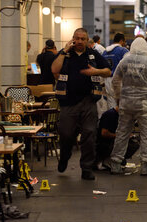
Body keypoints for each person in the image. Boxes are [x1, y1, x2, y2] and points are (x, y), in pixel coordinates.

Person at [51, 28, 111, 180]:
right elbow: (54, 69)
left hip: (88, 101)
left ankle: (86, 168)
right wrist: (63, 51)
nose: (79, 41)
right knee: (66, 134)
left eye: (82, 39)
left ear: (87, 41)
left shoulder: (92, 54)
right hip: (67, 102)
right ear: (72, 39)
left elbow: (108, 71)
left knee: (89, 135)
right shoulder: (66, 53)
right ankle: (64, 156)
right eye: (77, 38)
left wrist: (96, 71)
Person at [109, 37, 147, 175]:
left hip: (126, 102)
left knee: (122, 132)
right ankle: (145, 164)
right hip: (145, 104)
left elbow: (115, 80)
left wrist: (118, 97)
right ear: (146, 49)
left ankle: (115, 163)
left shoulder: (124, 61)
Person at [102, 33, 129, 109]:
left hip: (107, 81)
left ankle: (113, 120)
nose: (125, 43)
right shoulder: (123, 51)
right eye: (124, 41)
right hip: (120, 81)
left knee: (111, 105)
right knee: (122, 105)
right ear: (121, 41)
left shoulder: (105, 52)